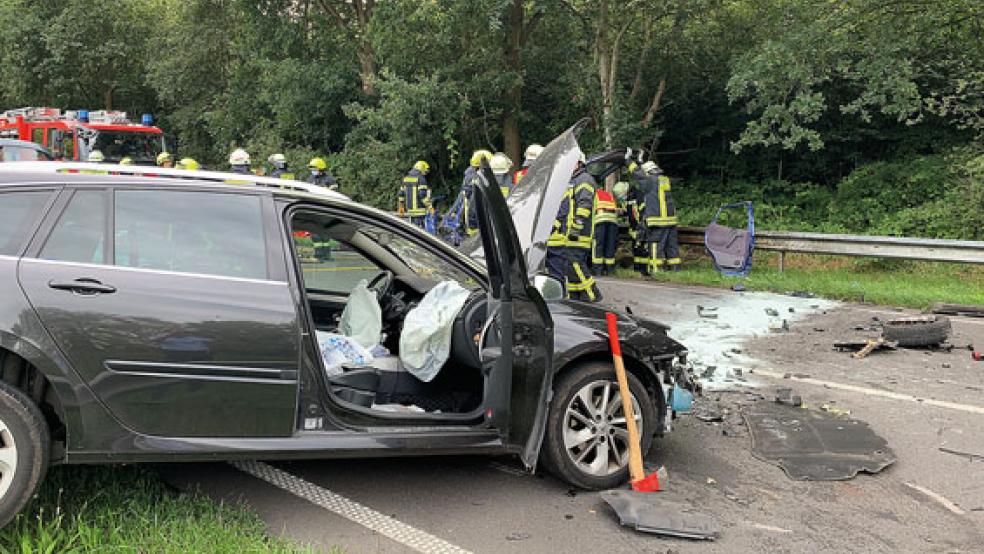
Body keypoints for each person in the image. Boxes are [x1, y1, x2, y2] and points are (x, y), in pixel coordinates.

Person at [546, 153, 602, 302]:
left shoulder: (584, 180)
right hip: (570, 232)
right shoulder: (572, 180)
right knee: (570, 267)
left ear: (579, 163)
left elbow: (585, 204)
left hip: (580, 232)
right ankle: (576, 298)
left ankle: (592, 295)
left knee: (575, 264)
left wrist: (576, 226)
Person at [631, 160, 681, 272]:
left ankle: (656, 268)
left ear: (647, 172)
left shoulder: (650, 180)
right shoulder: (664, 180)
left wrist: (629, 162)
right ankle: (675, 269)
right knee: (672, 246)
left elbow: (637, 174)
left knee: (655, 244)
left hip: (657, 221)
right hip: (670, 220)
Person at [461, 149, 491, 237]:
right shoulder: (476, 180)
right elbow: (473, 207)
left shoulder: (471, 175)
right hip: (475, 225)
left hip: (473, 221)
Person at [591, 182, 619, 275]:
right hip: (612, 221)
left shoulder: (593, 193)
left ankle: (597, 270)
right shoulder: (608, 194)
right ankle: (609, 269)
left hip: (600, 220)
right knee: (609, 245)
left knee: (598, 245)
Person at [399, 160, 431, 228]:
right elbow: (422, 195)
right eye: (425, 171)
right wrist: (430, 207)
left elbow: (401, 194)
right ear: (421, 168)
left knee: (412, 229)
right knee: (420, 231)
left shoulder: (406, 178)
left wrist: (401, 206)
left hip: (410, 210)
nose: (425, 174)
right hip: (420, 211)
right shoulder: (421, 179)